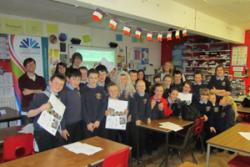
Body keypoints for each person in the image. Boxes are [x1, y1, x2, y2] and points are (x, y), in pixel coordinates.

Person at [27, 73, 66, 152]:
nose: (58, 86)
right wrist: (40, 109)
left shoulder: (58, 97)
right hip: (42, 133)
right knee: (45, 158)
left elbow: (58, 115)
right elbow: (29, 114)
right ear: (50, 82)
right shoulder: (41, 96)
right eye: (56, 83)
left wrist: (62, 129)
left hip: (54, 130)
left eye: (61, 84)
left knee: (58, 155)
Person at [81, 69, 106, 137]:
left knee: (99, 144)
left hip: (99, 122)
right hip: (86, 123)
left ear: (98, 78)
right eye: (91, 78)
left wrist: (98, 120)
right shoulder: (82, 90)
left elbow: (103, 106)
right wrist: (88, 122)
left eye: (95, 78)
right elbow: (83, 108)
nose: (93, 80)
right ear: (87, 78)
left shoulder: (101, 90)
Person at [60, 69, 83, 144]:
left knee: (77, 146)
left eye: (79, 79)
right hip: (68, 125)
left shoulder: (77, 90)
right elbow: (60, 112)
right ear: (67, 79)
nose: (77, 82)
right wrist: (63, 128)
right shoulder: (64, 92)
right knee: (68, 148)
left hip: (79, 123)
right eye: (74, 79)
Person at [131, 80, 151, 158]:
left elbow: (148, 107)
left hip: (144, 120)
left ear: (145, 87)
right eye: (139, 86)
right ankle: (136, 155)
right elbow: (134, 109)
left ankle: (141, 153)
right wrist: (136, 119)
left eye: (143, 85)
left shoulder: (147, 95)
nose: (141, 87)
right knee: (136, 138)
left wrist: (149, 117)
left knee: (143, 137)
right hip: (136, 120)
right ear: (136, 87)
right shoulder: (134, 96)